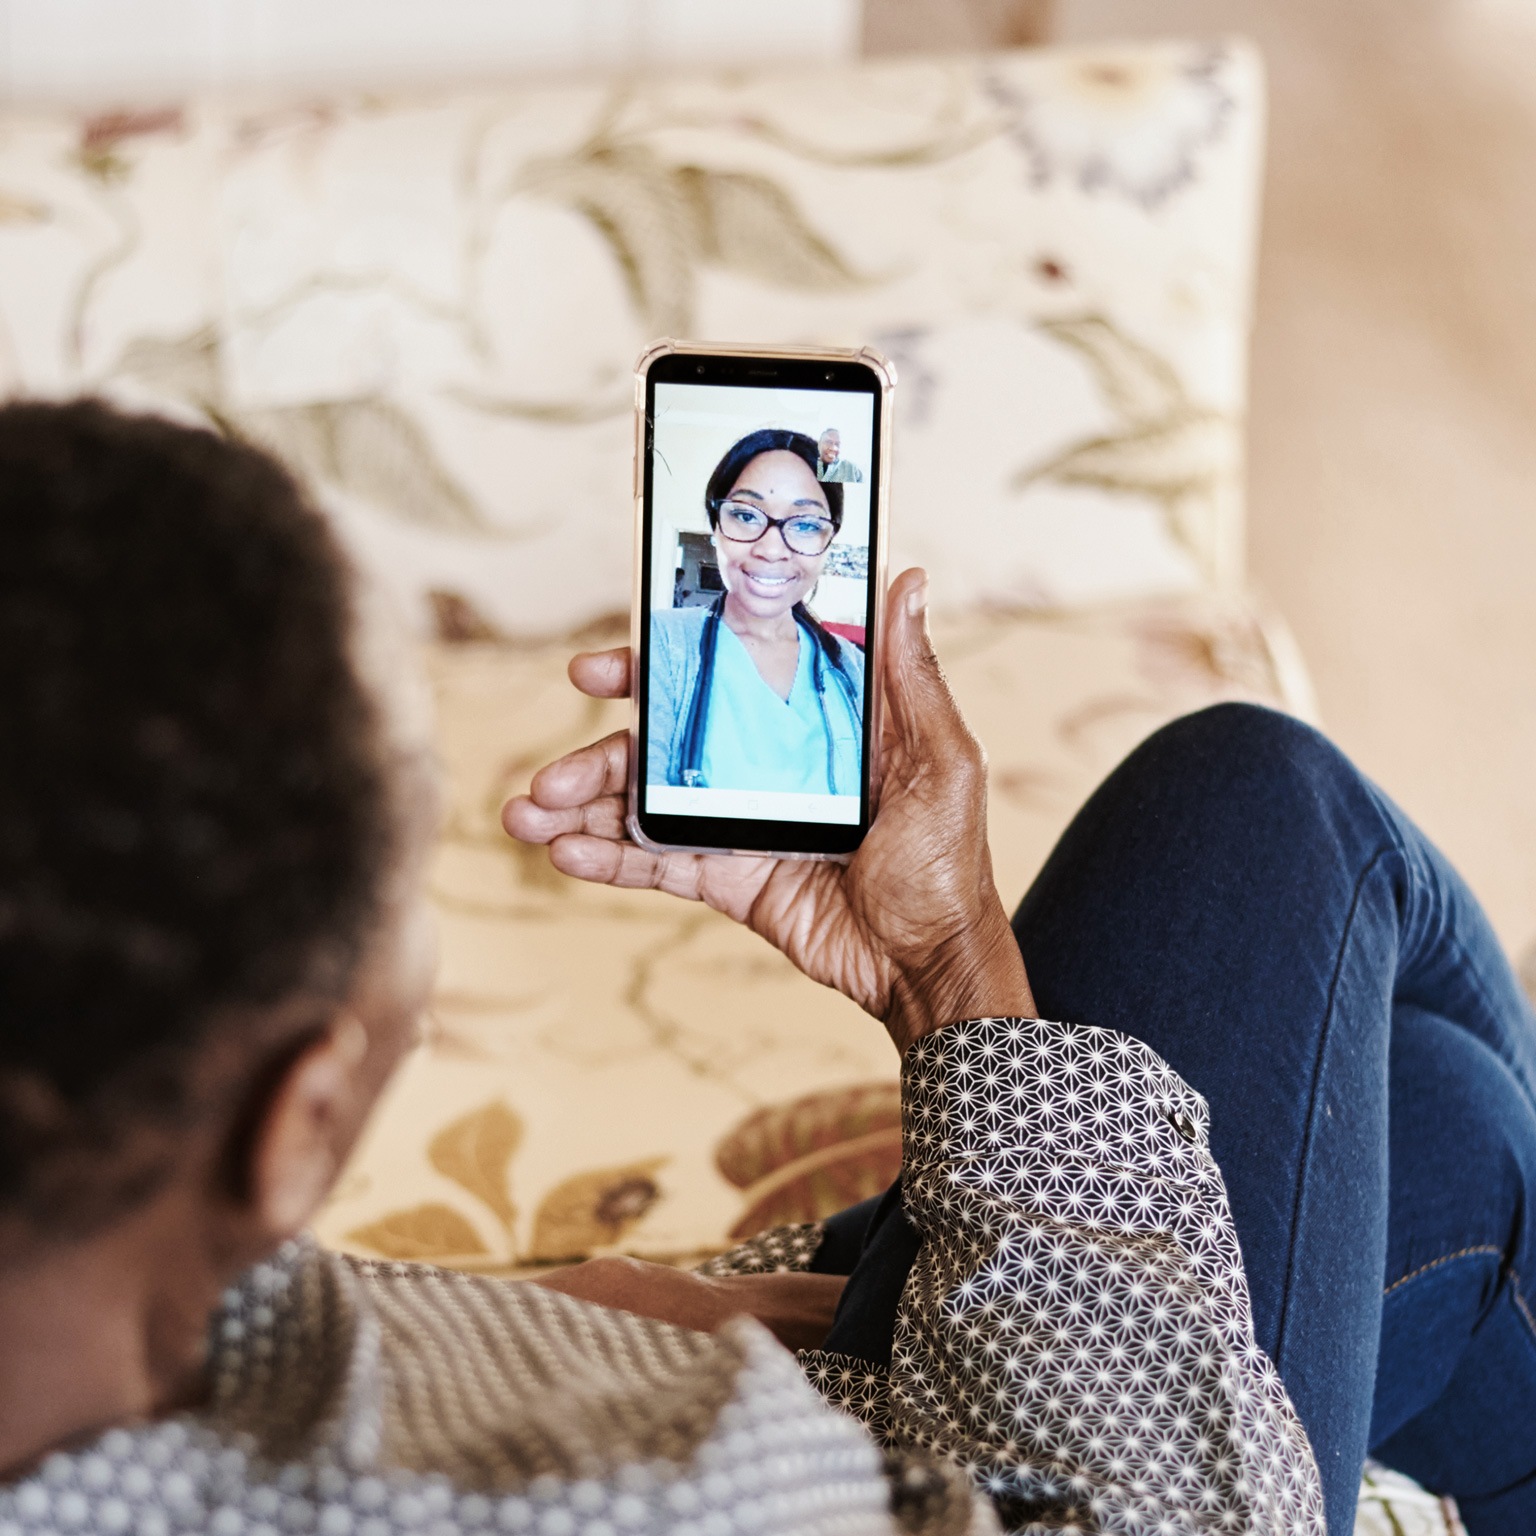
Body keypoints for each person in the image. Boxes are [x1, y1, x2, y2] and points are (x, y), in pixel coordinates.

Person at [1, 401, 1533, 1536]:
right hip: (1037, 1472)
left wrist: (594, 1312)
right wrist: (948, 969)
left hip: (770, 1366)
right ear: (294, 1122)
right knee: (1264, 815)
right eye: (410, 886)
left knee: (1435, 1113)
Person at [649, 428, 864, 796]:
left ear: (828, 542)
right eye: (746, 516)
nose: (771, 550)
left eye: (806, 524)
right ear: (716, 526)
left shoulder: (852, 669)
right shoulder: (662, 642)